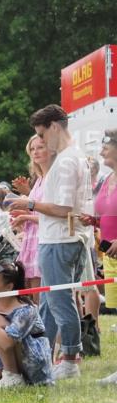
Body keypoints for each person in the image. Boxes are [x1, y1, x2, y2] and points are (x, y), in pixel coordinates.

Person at [11, 105, 94, 379]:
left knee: (59, 300)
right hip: (60, 238)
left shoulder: (67, 161)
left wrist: (29, 203)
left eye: (42, 135)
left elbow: (63, 208)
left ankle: (70, 358)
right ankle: (44, 358)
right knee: (49, 301)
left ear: (55, 127)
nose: (41, 142)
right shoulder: (72, 157)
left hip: (61, 239)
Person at [0, 261, 54, 390]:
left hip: (33, 361)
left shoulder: (27, 309)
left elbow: (7, 343)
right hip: (3, 356)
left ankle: (13, 376)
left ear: (9, 287)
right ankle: (10, 375)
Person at [90, 130, 117, 384]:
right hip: (109, 254)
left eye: (105, 147)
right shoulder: (109, 179)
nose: (101, 152)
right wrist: (93, 221)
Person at [12, 134, 52, 299]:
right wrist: (24, 212)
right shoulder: (40, 179)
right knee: (34, 297)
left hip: (44, 240)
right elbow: (39, 210)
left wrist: (26, 216)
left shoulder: (51, 177)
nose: (35, 152)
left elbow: (53, 216)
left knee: (42, 298)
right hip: (32, 240)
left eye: (40, 147)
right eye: (32, 149)